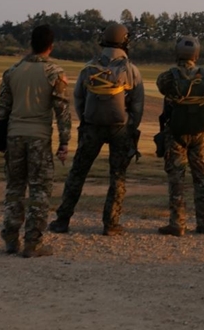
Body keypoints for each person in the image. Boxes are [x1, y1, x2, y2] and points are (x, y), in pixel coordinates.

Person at [48, 22, 144, 236]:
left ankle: (62, 220)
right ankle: (111, 224)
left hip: (92, 126)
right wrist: (130, 126)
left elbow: (79, 98)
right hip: (120, 128)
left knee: (78, 173)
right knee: (117, 176)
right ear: (125, 41)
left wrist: (86, 121)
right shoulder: (131, 70)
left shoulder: (89, 67)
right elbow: (137, 106)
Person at [0, 24, 70, 257]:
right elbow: (62, 112)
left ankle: (10, 239)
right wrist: (64, 142)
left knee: (14, 187)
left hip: (14, 136)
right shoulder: (54, 73)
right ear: (51, 46)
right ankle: (32, 242)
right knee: (39, 190)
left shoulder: (13, 71)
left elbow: (2, 110)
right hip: (39, 138)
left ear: (31, 44)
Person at [156, 35, 204, 236]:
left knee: (176, 179)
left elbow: (162, 88)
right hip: (201, 132)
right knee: (202, 178)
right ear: (196, 54)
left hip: (177, 133)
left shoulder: (167, 77)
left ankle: (177, 223)